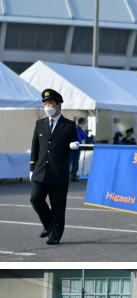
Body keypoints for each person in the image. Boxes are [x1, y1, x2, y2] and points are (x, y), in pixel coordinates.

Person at [30, 89, 80, 246]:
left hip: (58, 172)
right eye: (45, 104)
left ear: (59, 105)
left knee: (58, 206)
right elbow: (35, 147)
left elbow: (75, 144)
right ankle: (48, 225)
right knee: (35, 198)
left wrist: (75, 145)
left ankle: (55, 235)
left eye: (50, 103)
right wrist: (32, 168)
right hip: (40, 171)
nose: (47, 107)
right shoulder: (40, 124)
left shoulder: (69, 125)